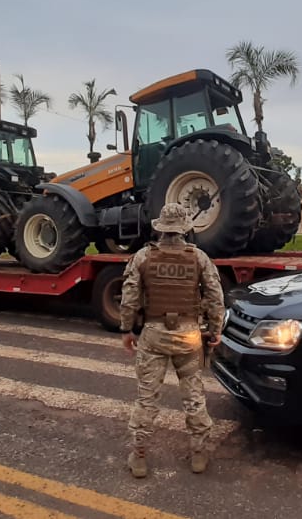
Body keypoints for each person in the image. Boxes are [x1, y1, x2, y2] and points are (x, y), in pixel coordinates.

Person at [119, 203, 225, 478]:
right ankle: (198, 452)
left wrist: (126, 330)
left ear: (160, 227)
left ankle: (139, 456)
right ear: (186, 229)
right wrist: (215, 330)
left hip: (153, 333)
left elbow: (130, 297)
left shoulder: (143, 256)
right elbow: (215, 296)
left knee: (147, 398)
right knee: (193, 395)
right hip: (189, 336)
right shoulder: (199, 257)